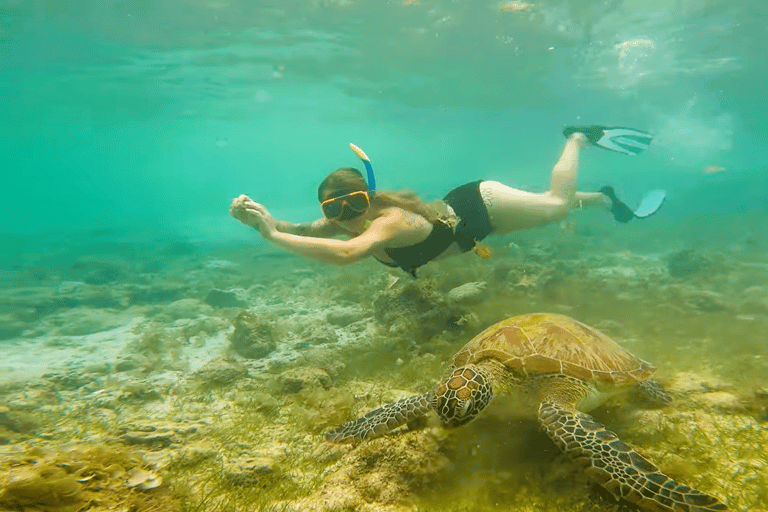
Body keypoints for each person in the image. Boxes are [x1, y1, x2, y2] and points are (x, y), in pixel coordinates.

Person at [230, 125, 665, 277]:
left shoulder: (389, 221)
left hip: (482, 205)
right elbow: (302, 230)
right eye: (333, 210)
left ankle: (577, 138)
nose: (346, 217)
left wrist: (268, 236)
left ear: (369, 198)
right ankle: (608, 202)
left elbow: (346, 255)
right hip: (474, 226)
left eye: (354, 204)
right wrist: (266, 220)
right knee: (551, 211)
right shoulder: (348, 220)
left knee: (553, 205)